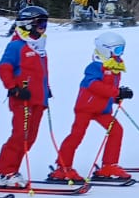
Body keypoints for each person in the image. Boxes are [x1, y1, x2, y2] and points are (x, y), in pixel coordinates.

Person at [50, 32, 134, 182]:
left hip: (103, 109)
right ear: (106, 49)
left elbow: (108, 87)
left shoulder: (115, 65)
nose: (120, 54)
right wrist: (116, 92)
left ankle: (109, 166)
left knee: (116, 130)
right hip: (86, 107)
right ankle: (63, 167)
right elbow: (93, 85)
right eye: (118, 50)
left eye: (122, 50)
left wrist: (118, 96)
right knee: (76, 136)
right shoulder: (95, 66)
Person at [0, 5, 52, 188]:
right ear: (27, 24)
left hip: (38, 100)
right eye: (40, 24)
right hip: (22, 99)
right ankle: (3, 172)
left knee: (30, 138)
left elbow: (40, 73)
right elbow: (4, 68)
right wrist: (13, 88)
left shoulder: (39, 47)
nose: (43, 28)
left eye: (45, 24)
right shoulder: (16, 45)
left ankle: (12, 171)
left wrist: (46, 89)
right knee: (19, 135)